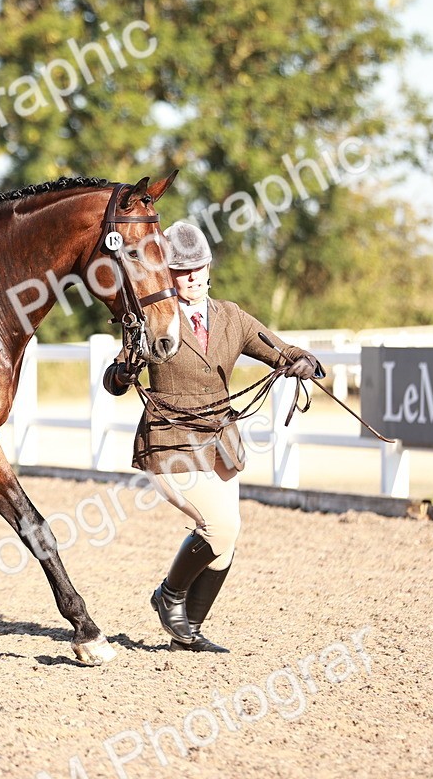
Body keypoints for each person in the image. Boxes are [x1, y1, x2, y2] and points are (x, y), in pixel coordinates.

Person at [103, 221, 322, 653]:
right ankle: (168, 595)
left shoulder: (231, 317)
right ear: (168, 275)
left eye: (198, 268)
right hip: (169, 440)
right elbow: (113, 379)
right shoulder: (153, 318)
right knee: (219, 527)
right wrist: (123, 373)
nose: (192, 277)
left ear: (209, 268)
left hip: (219, 440)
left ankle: (189, 632)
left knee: (226, 541)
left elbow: (280, 350)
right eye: (182, 271)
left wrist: (305, 362)